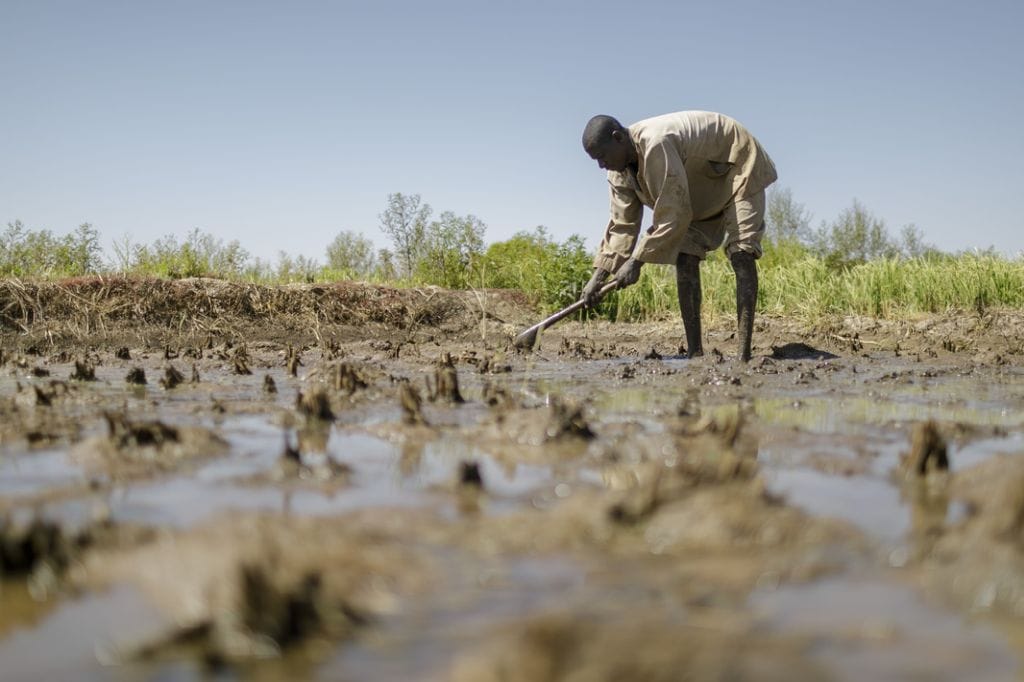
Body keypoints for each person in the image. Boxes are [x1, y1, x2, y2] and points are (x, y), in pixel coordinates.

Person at [580, 111, 777, 362]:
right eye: (595, 160)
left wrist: (637, 262)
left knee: (741, 253)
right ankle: (696, 355)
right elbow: (622, 224)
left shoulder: (655, 142)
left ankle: (744, 357)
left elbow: (673, 214)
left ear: (618, 138)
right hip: (694, 188)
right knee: (685, 257)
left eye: (602, 157)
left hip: (734, 164)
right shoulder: (617, 172)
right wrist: (599, 275)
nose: (601, 165)